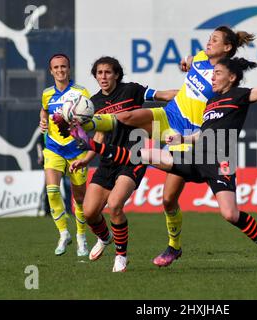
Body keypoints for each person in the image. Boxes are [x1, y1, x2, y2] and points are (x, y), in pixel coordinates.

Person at [70, 50, 257, 275]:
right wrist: (182, 139)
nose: (213, 77)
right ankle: (92, 145)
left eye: (217, 73)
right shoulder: (211, 101)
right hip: (196, 156)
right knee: (143, 154)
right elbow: (203, 133)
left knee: (230, 214)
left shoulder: (239, 95)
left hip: (219, 162)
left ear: (232, 77)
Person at [69, 56, 178, 272]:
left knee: (116, 204)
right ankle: (105, 237)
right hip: (108, 161)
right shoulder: (94, 103)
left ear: (117, 74)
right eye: (99, 73)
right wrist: (85, 160)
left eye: (108, 72)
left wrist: (190, 97)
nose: (103, 77)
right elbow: (100, 135)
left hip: (133, 157)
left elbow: (163, 95)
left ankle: (121, 256)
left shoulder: (132, 90)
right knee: (89, 213)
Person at [39, 53, 91, 256]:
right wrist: (43, 120)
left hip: (76, 150)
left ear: (69, 69)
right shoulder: (46, 94)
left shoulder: (81, 92)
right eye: (56, 67)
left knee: (79, 199)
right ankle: (63, 233)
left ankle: (81, 238)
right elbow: (44, 110)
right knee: (52, 190)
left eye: (63, 67)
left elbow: (89, 117)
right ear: (51, 71)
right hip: (53, 148)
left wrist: (79, 121)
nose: (60, 70)